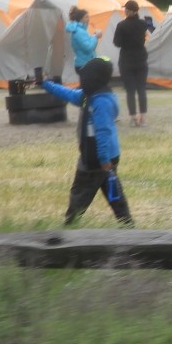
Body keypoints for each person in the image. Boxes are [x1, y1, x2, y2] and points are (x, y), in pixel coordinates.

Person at [42, 57, 133, 226]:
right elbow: (68, 94)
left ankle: (69, 228)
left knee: (80, 194)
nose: (81, 80)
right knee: (114, 193)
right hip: (104, 157)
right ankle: (128, 225)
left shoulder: (101, 102)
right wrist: (46, 84)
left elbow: (103, 132)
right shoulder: (90, 96)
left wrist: (104, 160)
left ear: (93, 78)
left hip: (96, 158)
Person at [111, 0, 155, 127]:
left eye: (126, 9)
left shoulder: (121, 25)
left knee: (130, 90)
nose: (124, 11)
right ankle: (143, 117)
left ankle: (133, 117)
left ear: (130, 11)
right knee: (141, 89)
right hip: (141, 59)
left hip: (126, 60)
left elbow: (117, 43)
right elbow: (147, 34)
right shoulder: (143, 24)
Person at [67, 6, 98, 77]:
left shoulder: (81, 31)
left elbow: (87, 44)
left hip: (84, 63)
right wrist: (96, 37)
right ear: (81, 19)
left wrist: (93, 37)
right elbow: (88, 48)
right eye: (86, 17)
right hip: (84, 64)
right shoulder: (79, 32)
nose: (88, 19)